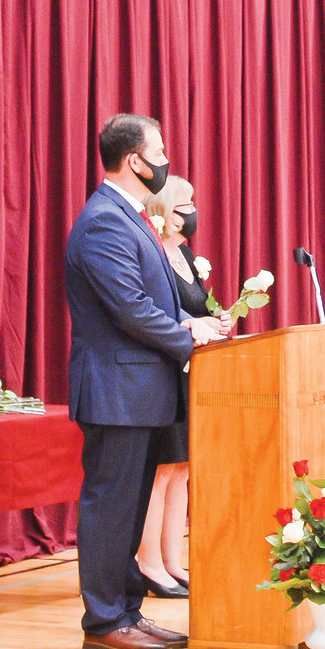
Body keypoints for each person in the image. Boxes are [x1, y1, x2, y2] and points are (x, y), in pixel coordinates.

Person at [65, 114, 224, 649]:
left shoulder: (128, 216)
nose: (166, 160)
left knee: (130, 509)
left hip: (139, 391)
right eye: (159, 151)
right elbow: (129, 308)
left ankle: (127, 609)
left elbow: (153, 299)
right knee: (111, 508)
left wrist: (194, 321)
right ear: (134, 160)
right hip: (116, 393)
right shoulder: (105, 220)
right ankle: (105, 619)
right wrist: (188, 337)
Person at [136, 176, 231, 598]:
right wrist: (190, 324)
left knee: (182, 469)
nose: (192, 210)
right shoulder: (152, 251)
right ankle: (148, 563)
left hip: (192, 372)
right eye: (184, 203)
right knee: (159, 472)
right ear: (163, 208)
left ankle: (172, 561)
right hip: (161, 372)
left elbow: (198, 308)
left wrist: (220, 318)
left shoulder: (187, 255)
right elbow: (153, 311)